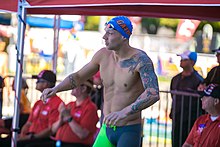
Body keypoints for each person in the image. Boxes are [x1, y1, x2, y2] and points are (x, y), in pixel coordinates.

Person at [41, 16, 160, 147]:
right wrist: (56, 89)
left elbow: (153, 93)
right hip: (106, 129)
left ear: (123, 36)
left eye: (110, 33)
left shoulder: (141, 60)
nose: (104, 37)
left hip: (128, 129)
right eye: (105, 32)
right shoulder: (103, 56)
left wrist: (123, 112)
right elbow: (79, 76)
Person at [35, 79, 99, 147]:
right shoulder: (70, 105)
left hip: (77, 145)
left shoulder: (91, 108)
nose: (72, 87)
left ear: (84, 88)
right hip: (59, 142)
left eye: (75, 85)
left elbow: (83, 134)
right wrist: (61, 119)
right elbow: (53, 129)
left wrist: (69, 118)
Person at [17, 70, 63, 147]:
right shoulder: (38, 103)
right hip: (31, 136)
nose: (36, 82)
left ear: (46, 84)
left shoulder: (57, 104)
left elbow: (50, 130)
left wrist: (29, 137)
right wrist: (23, 134)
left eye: (39, 81)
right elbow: (29, 122)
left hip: (43, 139)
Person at [170, 50, 204, 147]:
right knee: (175, 142)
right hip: (177, 118)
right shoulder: (175, 79)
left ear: (192, 62)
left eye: (184, 59)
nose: (181, 61)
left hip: (190, 120)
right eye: (181, 59)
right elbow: (173, 97)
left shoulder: (198, 80)